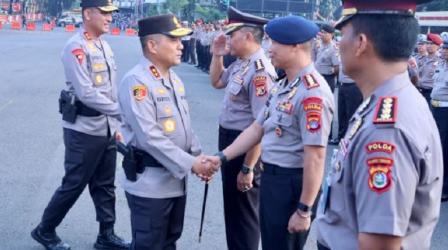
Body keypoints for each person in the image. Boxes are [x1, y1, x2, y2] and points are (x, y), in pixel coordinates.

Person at [316, 1, 443, 250]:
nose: (339, 43)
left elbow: (380, 243)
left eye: (342, 34)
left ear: (361, 43)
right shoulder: (386, 100)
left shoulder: (386, 128)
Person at [207, 15, 334, 250]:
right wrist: (222, 156)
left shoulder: (312, 93)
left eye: (275, 43)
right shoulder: (285, 85)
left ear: (295, 47)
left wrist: (304, 209)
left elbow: (315, 156)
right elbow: (257, 127)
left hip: (291, 184)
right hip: (273, 179)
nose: (269, 48)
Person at [31, 1, 129, 250]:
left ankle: (106, 234)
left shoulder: (104, 45)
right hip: (83, 130)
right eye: (104, 13)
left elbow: (110, 90)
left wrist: (116, 124)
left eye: (110, 14)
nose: (109, 18)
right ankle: (45, 230)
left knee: (105, 184)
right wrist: (124, 112)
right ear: (87, 14)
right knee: (74, 183)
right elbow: (85, 92)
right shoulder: (76, 47)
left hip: (105, 127)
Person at [117, 14, 218, 250]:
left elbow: (185, 126)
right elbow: (149, 137)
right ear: (152, 45)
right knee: (150, 245)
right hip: (150, 185)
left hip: (175, 182)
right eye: (173, 40)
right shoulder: (137, 82)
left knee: (169, 242)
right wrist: (192, 164)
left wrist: (198, 157)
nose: (181, 45)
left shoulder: (174, 79)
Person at [209, 6, 277, 250]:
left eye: (232, 35)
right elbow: (217, 81)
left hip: (245, 148)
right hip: (230, 142)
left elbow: (261, 125)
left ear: (248, 36)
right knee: (234, 210)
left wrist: (248, 167)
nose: (228, 40)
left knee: (244, 216)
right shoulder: (241, 63)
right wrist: (217, 55)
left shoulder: (260, 72)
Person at [431, 37, 448, 203]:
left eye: (447, 49)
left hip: (447, 111)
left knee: (445, 148)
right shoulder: (441, 64)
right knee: (434, 146)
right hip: (435, 108)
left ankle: (445, 188)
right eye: (443, 48)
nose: (443, 51)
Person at [314, 24, 340, 92]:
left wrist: (331, 74)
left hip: (327, 79)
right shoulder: (319, 45)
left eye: (325, 33)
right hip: (316, 77)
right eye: (321, 32)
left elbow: (337, 67)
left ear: (331, 34)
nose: (322, 34)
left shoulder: (334, 48)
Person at [418, 33, 442, 104]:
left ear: (438, 46)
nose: (429, 46)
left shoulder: (441, 60)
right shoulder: (422, 59)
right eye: (427, 43)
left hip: (431, 93)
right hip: (420, 91)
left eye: (432, 44)